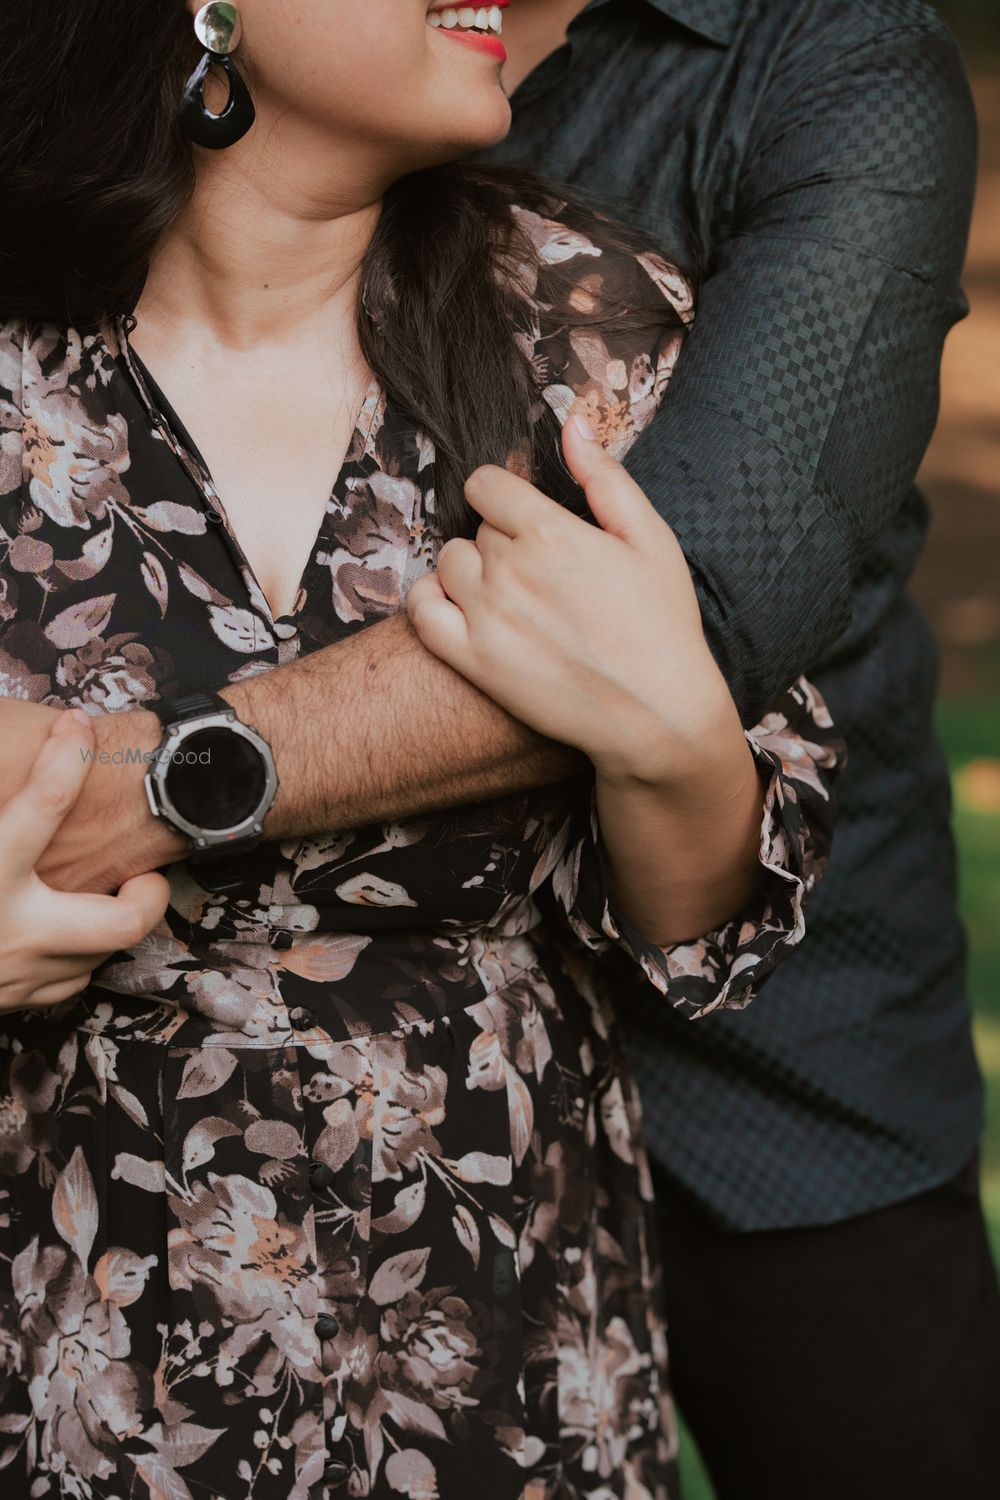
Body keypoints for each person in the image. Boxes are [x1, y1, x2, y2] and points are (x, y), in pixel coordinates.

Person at [3, 0, 997, 1493]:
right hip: (80, 1330)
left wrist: (132, 792)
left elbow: (715, 734)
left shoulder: (597, 312)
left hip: (536, 1296)